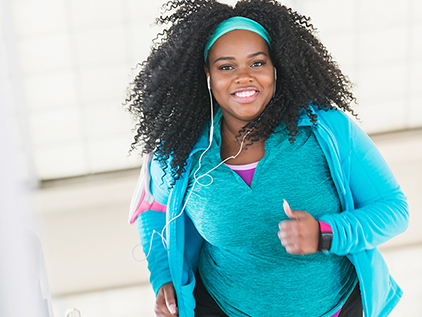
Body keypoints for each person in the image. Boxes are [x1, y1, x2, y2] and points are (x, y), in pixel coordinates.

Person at [125, 1, 409, 316]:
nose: (243, 77)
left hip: (339, 307)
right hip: (221, 307)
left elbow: (394, 210)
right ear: (208, 74)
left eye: (257, 63)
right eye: (226, 66)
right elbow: (151, 209)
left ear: (277, 67)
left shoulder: (325, 129)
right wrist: (163, 277)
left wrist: (325, 233)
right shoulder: (181, 151)